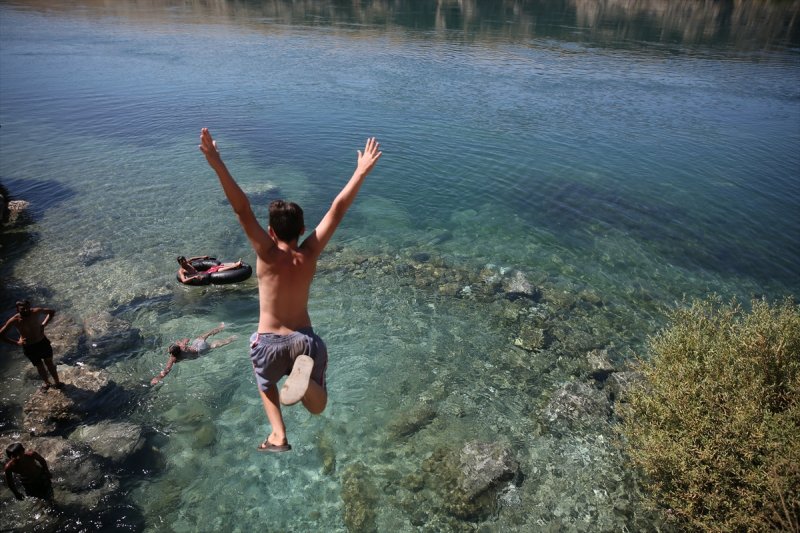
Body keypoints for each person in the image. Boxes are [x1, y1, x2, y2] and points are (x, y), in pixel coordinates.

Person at [199, 127, 381, 452]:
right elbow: (337, 209)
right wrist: (361, 171)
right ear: (302, 229)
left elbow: (241, 209)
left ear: (270, 231)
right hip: (305, 341)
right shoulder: (308, 253)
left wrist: (217, 163)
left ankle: (278, 434)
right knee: (318, 406)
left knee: (265, 382)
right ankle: (306, 383)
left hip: (268, 342)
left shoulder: (266, 254)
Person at [0, 300, 63, 391]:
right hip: (29, 347)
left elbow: (52, 312)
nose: (26, 310)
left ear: (30, 306)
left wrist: (43, 324)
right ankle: (47, 383)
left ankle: (57, 382)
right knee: (39, 366)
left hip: (42, 342)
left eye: (27, 307)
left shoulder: (36, 311)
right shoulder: (14, 320)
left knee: (49, 363)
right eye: (23, 309)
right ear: (17, 309)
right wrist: (16, 343)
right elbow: (1, 335)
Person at [151, 323, 236, 385]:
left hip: (199, 350)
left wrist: (158, 377)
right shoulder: (181, 347)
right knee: (206, 334)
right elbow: (187, 339)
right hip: (197, 344)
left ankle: (231, 339)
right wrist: (182, 343)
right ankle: (221, 327)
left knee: (213, 345)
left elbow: (167, 370)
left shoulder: (174, 358)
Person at [177, 255, 243, 284]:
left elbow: (192, 258)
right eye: (182, 262)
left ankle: (234, 264)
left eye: (184, 260)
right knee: (217, 270)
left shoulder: (188, 263)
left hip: (202, 272)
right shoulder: (181, 271)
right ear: (179, 263)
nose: (184, 262)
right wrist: (194, 277)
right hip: (202, 276)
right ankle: (235, 266)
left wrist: (202, 257)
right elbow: (184, 281)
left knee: (217, 266)